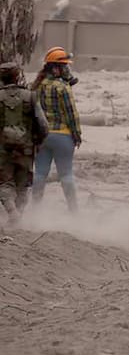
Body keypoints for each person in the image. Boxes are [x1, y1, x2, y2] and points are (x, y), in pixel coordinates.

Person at [32, 47, 82, 212]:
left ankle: (36, 210)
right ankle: (74, 211)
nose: (67, 70)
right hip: (63, 137)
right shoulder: (62, 88)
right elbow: (71, 114)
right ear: (55, 68)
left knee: (40, 174)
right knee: (66, 175)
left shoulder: (36, 86)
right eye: (64, 66)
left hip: (43, 137)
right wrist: (77, 135)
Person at [0, 62, 47, 224]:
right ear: (17, 76)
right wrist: (38, 142)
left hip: (3, 149)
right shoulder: (30, 96)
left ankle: (12, 212)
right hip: (26, 148)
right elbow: (43, 125)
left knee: (4, 182)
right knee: (23, 184)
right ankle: (18, 215)